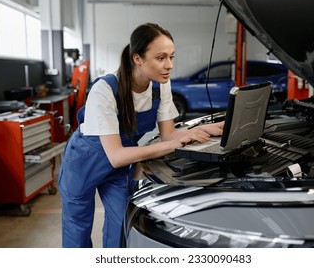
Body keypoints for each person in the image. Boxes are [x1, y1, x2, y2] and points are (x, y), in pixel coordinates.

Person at [58, 22, 224, 248]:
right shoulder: (105, 90)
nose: (169, 65)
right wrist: (174, 145)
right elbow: (116, 154)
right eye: (161, 58)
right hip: (86, 162)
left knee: (121, 226)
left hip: (120, 163)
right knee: (77, 229)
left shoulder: (160, 85)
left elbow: (169, 134)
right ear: (138, 59)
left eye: (172, 57)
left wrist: (204, 130)